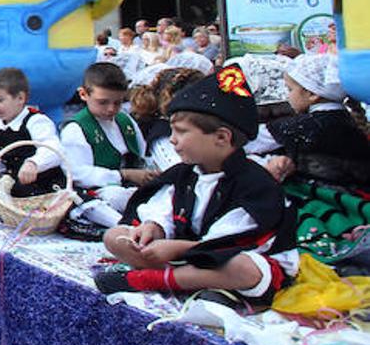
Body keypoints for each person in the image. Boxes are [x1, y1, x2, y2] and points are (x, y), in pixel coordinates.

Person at [95, 66, 299, 307]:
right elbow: (165, 204)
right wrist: (154, 227)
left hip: (227, 255)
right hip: (191, 255)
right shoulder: (185, 173)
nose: (172, 140)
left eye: (181, 132)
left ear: (222, 138)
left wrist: (179, 249)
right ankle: (193, 280)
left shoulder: (255, 184)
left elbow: (236, 238)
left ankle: (153, 279)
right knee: (115, 237)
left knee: (245, 268)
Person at [253, 54, 370, 186]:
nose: (288, 95)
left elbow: (247, 141)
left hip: (319, 199)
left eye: (290, 89)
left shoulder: (304, 126)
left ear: (312, 95)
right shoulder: (348, 119)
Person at [60, 63, 157, 199]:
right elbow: (77, 173)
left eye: (118, 102)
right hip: (99, 192)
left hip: (132, 185)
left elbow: (142, 153)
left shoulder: (125, 120)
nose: (111, 109)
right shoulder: (76, 129)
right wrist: (122, 175)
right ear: (83, 94)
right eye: (103, 102)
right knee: (115, 196)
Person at [0, 68, 65, 196]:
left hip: (45, 183)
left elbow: (54, 149)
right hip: (16, 184)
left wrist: (34, 163)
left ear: (20, 98)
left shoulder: (35, 121)